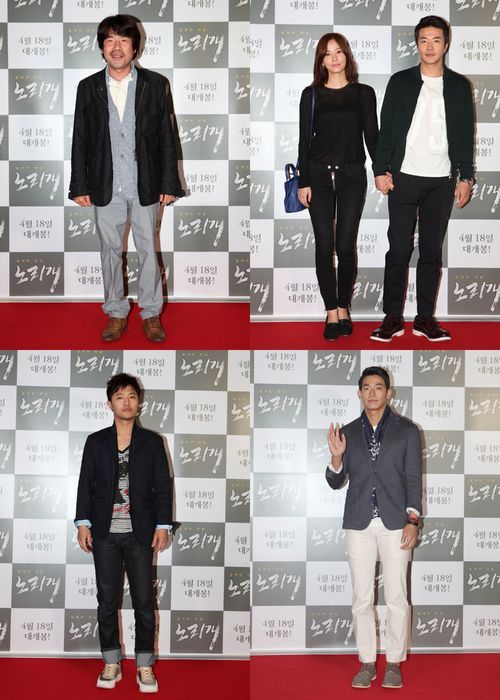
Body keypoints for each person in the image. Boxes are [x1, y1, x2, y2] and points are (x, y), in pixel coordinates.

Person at [69, 14, 184, 343]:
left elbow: (166, 137)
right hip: (105, 182)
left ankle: (151, 314)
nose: (116, 47)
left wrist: (169, 183)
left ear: (135, 47)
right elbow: (80, 139)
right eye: (109, 40)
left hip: (145, 182)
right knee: (109, 251)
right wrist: (79, 185)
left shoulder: (155, 84)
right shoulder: (88, 87)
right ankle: (116, 312)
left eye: (123, 40)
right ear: (102, 47)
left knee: (148, 249)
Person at [371, 15, 474, 342]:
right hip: (403, 177)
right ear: (417, 44)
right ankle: (392, 318)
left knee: (431, 251)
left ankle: (425, 319)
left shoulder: (459, 86)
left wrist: (466, 177)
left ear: (446, 44)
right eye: (424, 40)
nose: (430, 47)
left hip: (441, 180)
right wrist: (380, 169)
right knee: (398, 250)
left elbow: (464, 135)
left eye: (436, 40)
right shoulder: (400, 82)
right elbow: (387, 129)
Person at [75, 373, 172, 693]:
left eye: (131, 396)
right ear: (109, 404)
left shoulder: (153, 442)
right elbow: (85, 485)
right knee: (106, 601)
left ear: (139, 402)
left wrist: (162, 525)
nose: (126, 402)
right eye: (119, 397)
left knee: (144, 601)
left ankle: (144, 665)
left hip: (139, 535)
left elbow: (163, 487)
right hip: (104, 534)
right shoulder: (95, 441)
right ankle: (111, 661)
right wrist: (82, 523)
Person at [326, 366, 422, 689]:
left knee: (397, 596)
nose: (372, 393)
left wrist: (413, 520)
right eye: (366, 387)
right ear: (359, 393)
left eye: (378, 387)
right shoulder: (348, 433)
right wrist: (336, 459)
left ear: (388, 393)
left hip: (396, 523)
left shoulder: (408, 431)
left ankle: (393, 663)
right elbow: (336, 481)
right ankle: (367, 662)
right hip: (359, 523)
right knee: (362, 598)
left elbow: (413, 478)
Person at [297, 33, 378, 341]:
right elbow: (304, 141)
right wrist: (303, 181)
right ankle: (331, 311)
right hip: (317, 176)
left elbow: (372, 136)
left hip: (352, 176)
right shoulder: (311, 94)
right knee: (323, 246)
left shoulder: (363, 93)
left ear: (347, 56)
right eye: (327, 53)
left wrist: (382, 171)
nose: (334, 58)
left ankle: (344, 306)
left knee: (345, 247)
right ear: (320, 61)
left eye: (339, 52)